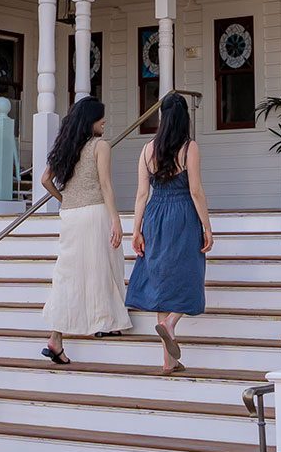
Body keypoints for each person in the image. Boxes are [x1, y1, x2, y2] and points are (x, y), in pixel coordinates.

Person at [39, 96, 130, 365]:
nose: (105, 121)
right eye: (102, 117)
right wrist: (116, 219)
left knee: (68, 274)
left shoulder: (66, 146)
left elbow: (45, 180)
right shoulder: (100, 145)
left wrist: (64, 198)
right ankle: (106, 321)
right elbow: (105, 184)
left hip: (70, 215)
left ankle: (56, 337)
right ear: (91, 120)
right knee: (105, 266)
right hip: (94, 212)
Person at [125, 93, 212, 374]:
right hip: (183, 215)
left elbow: (141, 193)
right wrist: (207, 227)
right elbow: (196, 191)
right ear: (185, 117)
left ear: (162, 116)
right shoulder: (189, 147)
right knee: (190, 276)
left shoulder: (148, 149)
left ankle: (168, 361)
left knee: (163, 283)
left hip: (155, 215)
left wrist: (135, 230)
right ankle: (172, 322)